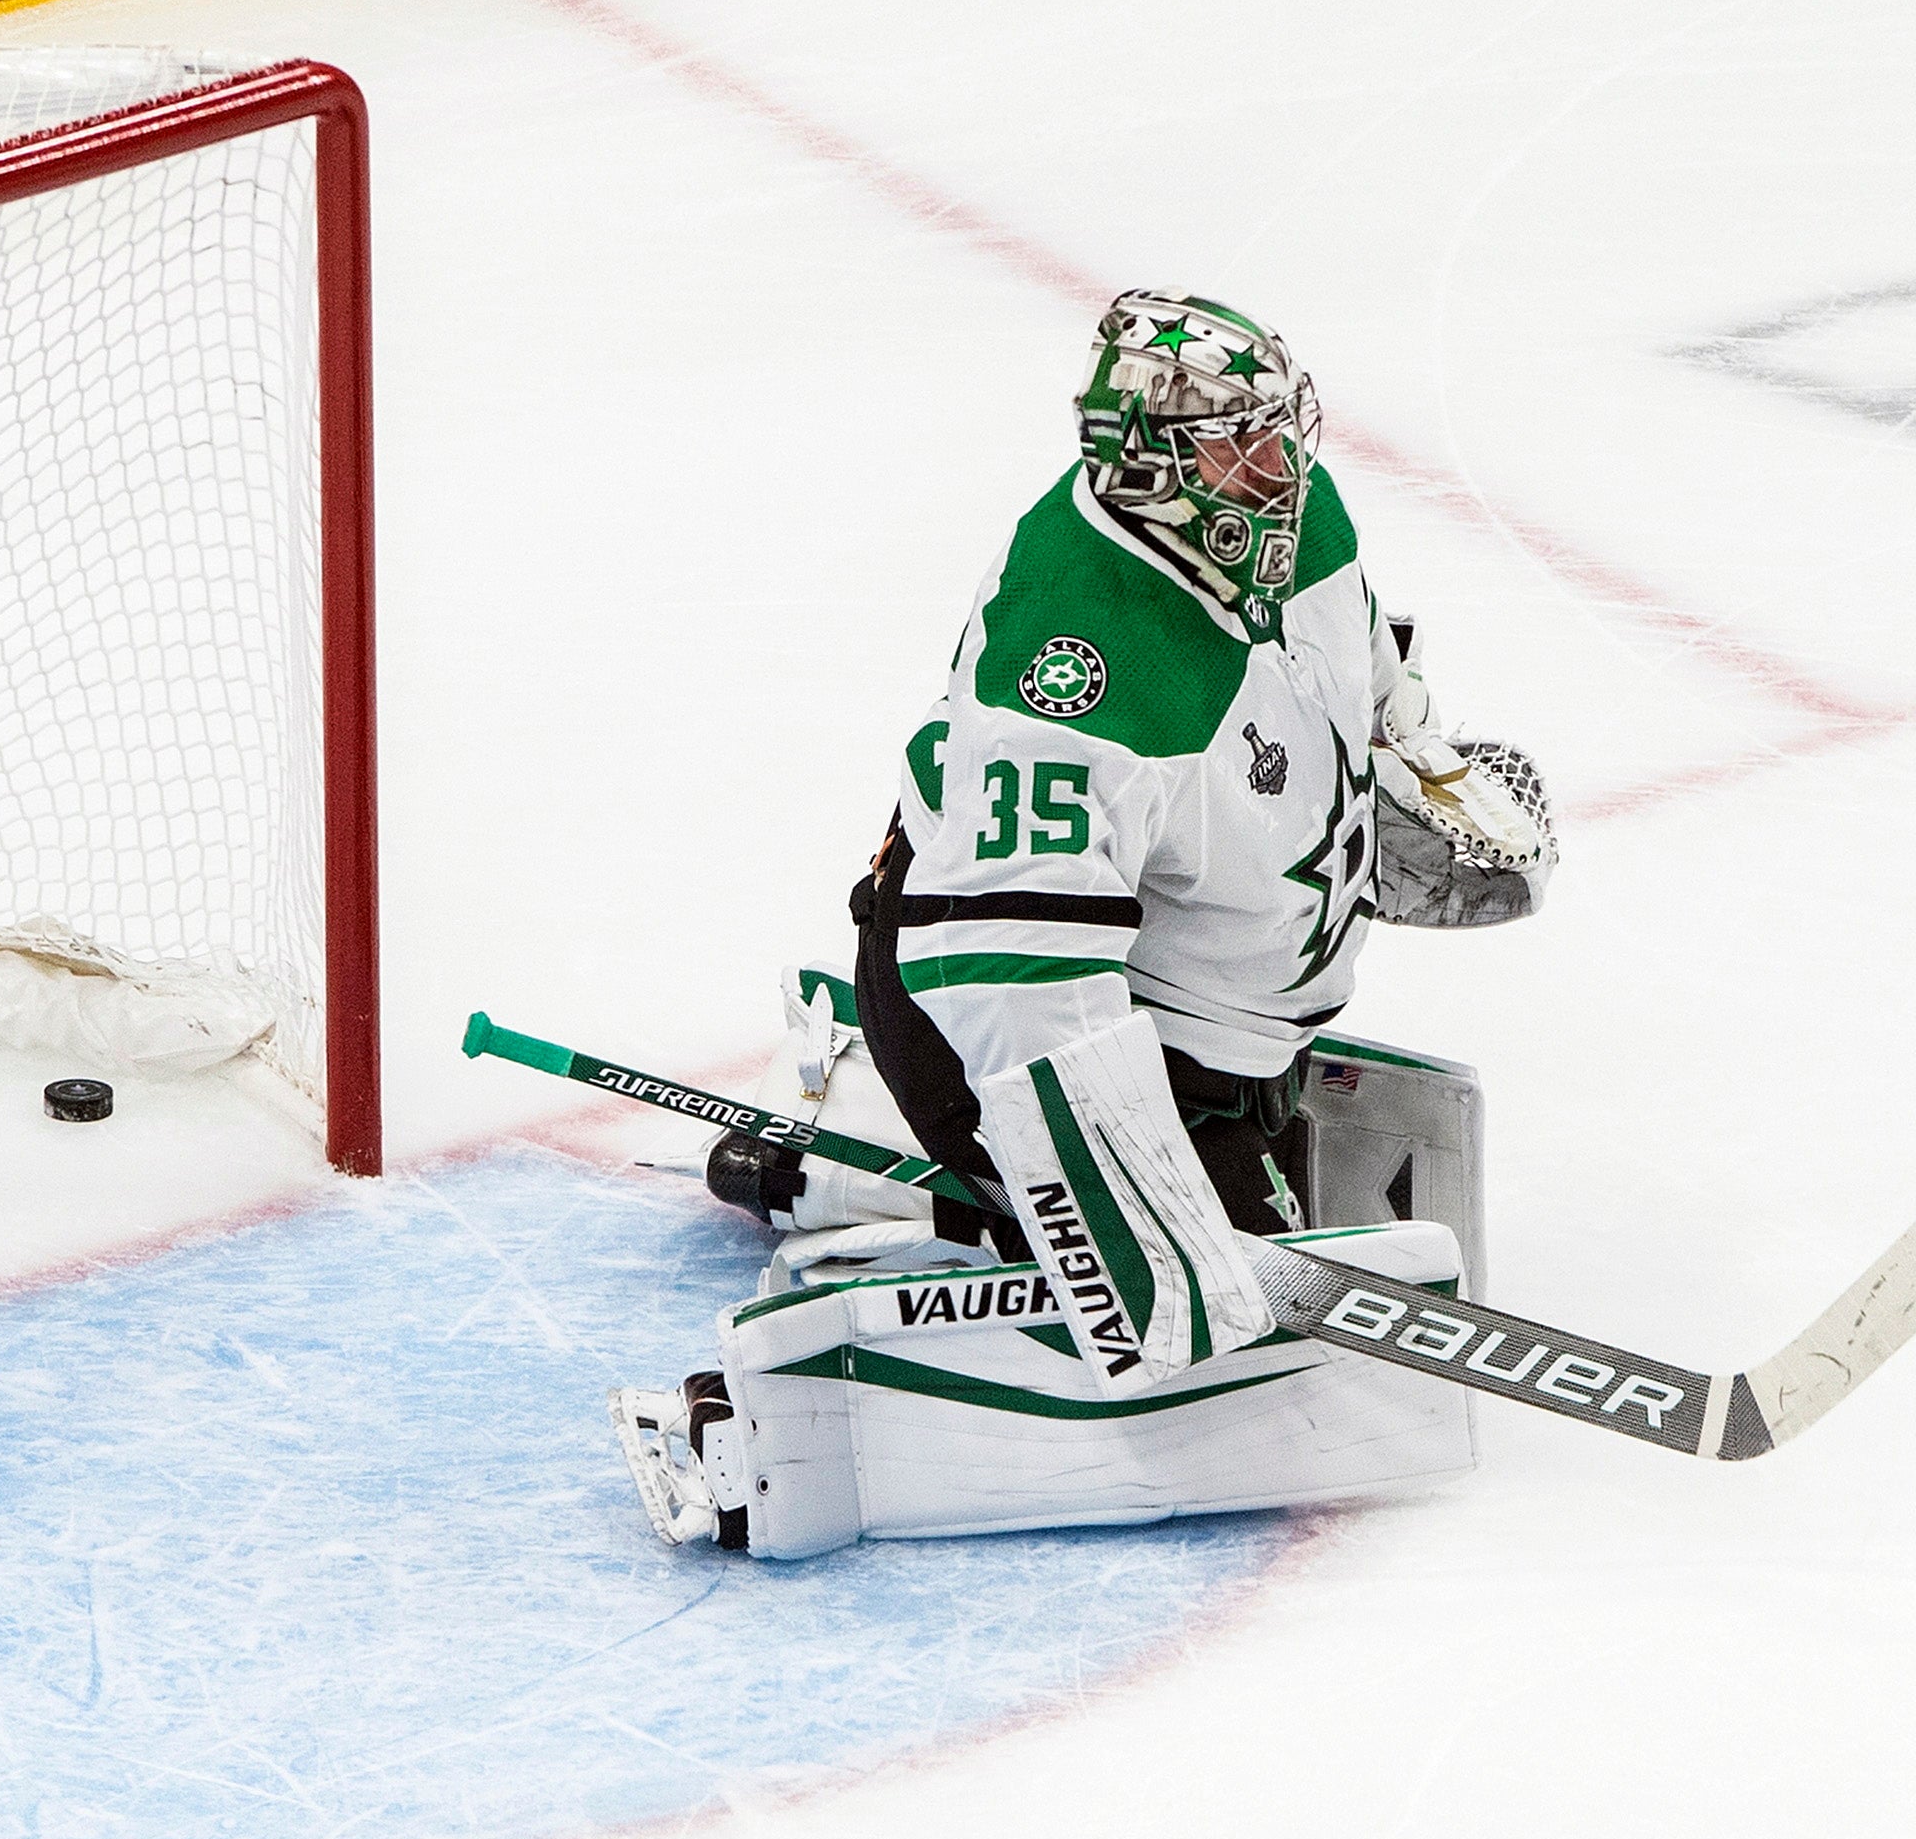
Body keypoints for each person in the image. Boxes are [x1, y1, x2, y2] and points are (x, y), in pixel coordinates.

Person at [613, 288, 1561, 1556]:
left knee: (1230, 1265)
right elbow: (1018, 986)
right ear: (1151, 464)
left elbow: (1359, 676)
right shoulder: (1069, 673)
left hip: (1206, 1022)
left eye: (1285, 432)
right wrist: (1132, 1221)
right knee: (1206, 1345)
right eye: (1240, 443)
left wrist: (1409, 765)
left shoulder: (1283, 516)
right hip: (990, 1021)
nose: (1279, 468)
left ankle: (840, 1162)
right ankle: (795, 1375)